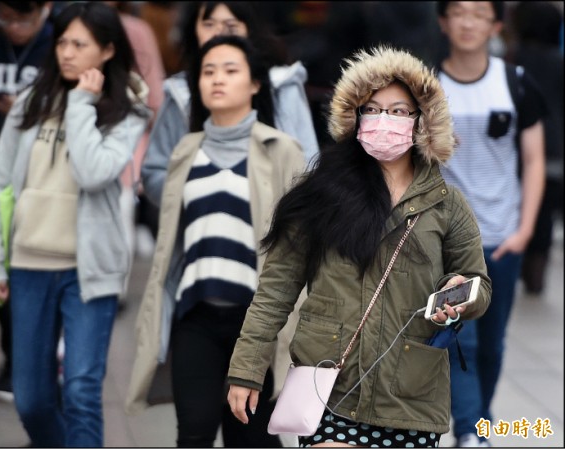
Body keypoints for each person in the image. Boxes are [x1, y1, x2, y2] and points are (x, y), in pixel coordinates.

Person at [227, 45, 492, 448]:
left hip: (410, 395)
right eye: (373, 108)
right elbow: (275, 290)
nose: (385, 120)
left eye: (399, 111)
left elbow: (479, 284)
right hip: (329, 385)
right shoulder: (320, 195)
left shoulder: (447, 204)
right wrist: (247, 368)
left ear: (422, 122)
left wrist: (462, 295)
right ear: (355, 117)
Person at [0, 2, 150, 447]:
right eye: (62, 42)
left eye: (80, 44)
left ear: (107, 51)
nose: (66, 52)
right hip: (30, 265)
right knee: (31, 400)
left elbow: (94, 172)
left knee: (80, 391)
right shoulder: (32, 101)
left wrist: (80, 103)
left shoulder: (128, 108)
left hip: (90, 271)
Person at [126, 35, 306, 447]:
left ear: (255, 84)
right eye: (208, 72)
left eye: (230, 70)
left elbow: (300, 244)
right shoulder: (184, 152)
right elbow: (171, 240)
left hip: (258, 321)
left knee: (252, 438)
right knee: (194, 431)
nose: (217, 80)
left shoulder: (283, 150)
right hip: (196, 315)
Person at [436, 2, 546, 446]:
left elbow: (534, 160)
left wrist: (524, 232)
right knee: (463, 337)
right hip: (448, 242)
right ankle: (468, 430)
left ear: (496, 25)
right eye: (458, 12)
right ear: (443, 21)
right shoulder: (428, 86)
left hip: (501, 238)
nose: (467, 22)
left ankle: (479, 422)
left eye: (478, 13)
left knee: (494, 346)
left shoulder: (516, 83)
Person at [140, 1, 319, 211]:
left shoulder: (281, 85)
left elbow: (307, 166)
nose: (219, 35)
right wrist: (196, 195)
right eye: (208, 25)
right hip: (196, 230)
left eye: (231, 27)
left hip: (269, 229)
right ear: (193, 29)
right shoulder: (179, 94)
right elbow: (155, 171)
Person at [0, 1, 53, 402]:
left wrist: (23, 108)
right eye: (6, 18)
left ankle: (48, 362)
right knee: (2, 268)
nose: (15, 27)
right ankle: (14, 363)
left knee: (43, 270)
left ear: (46, 9)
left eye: (24, 18)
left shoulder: (58, 47)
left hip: (48, 179)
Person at [102, 1, 166, 302]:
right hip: (98, 130)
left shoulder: (136, 29)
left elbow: (153, 88)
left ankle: (117, 290)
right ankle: (113, 290)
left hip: (128, 131)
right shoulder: (75, 23)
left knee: (122, 210)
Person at [510, 1, 563, 295]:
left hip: (515, 148)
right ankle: (536, 278)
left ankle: (513, 268)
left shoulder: (512, 60)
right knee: (543, 216)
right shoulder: (559, 60)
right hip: (554, 151)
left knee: (515, 208)